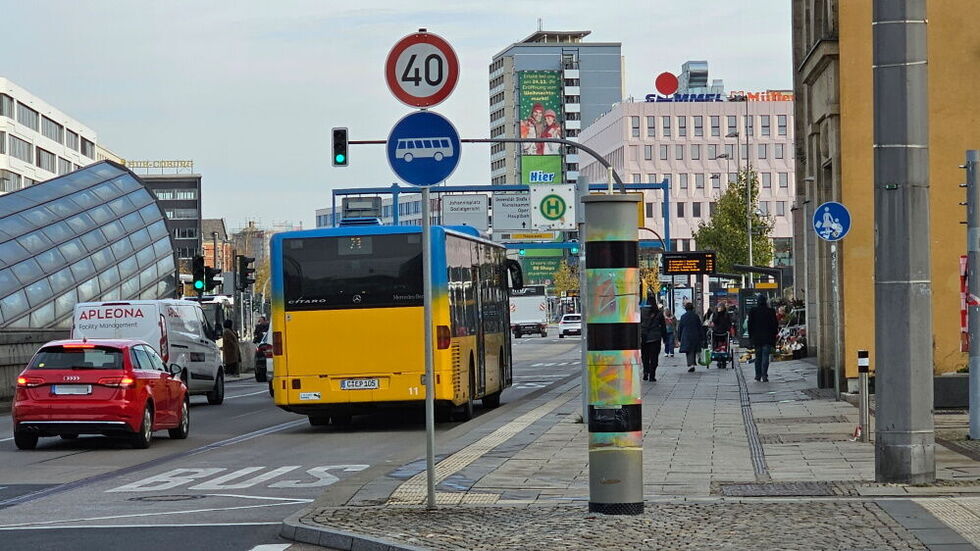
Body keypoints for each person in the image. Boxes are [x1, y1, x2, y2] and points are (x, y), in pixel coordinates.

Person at [747, 294, 779, 382]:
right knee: (765, 356)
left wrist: (751, 337)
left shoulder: (753, 311)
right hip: (768, 338)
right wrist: (774, 335)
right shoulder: (771, 311)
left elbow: (749, 325)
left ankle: (757, 375)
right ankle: (764, 375)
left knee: (758, 357)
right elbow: (775, 324)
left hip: (757, 338)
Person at [639, 298, 666, 381]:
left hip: (644, 338)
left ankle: (646, 372)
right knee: (654, 357)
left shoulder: (640, 312)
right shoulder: (659, 313)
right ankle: (652, 375)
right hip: (655, 338)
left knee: (645, 357)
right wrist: (664, 338)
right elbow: (663, 327)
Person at [676, 302, 704, 373]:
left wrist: (679, 337)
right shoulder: (696, 316)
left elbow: (680, 328)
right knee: (693, 349)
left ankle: (691, 364)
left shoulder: (683, 316)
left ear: (685, 308)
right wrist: (702, 336)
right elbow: (699, 327)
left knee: (689, 351)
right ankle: (693, 363)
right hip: (695, 335)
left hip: (686, 335)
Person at [708, 303, 732, 369]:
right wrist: (718, 314)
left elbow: (728, 323)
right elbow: (714, 321)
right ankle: (718, 355)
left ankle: (723, 359)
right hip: (717, 331)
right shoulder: (715, 314)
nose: (720, 308)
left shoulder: (726, 315)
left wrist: (728, 329)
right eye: (719, 307)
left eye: (721, 307)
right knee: (715, 341)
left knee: (724, 342)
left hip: (723, 331)